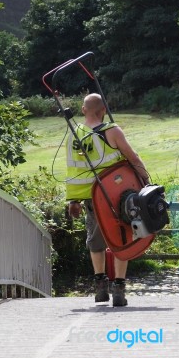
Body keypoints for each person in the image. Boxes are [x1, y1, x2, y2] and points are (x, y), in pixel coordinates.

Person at [66, 93, 150, 307]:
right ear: (103, 110)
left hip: (92, 198)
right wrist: (146, 180)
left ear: (84, 110)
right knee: (122, 237)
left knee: (95, 240)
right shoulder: (111, 131)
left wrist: (74, 200)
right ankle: (119, 288)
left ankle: (100, 286)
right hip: (118, 196)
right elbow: (132, 157)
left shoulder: (75, 136)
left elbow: (73, 170)